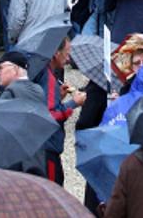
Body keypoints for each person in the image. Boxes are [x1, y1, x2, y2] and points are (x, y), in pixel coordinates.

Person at [35, 36, 85, 186]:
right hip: (47, 147)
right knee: (52, 189)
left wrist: (59, 96)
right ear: (56, 53)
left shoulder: (40, 71)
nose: (69, 58)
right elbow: (51, 115)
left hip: (40, 146)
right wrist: (73, 103)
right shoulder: (48, 77)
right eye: (67, 53)